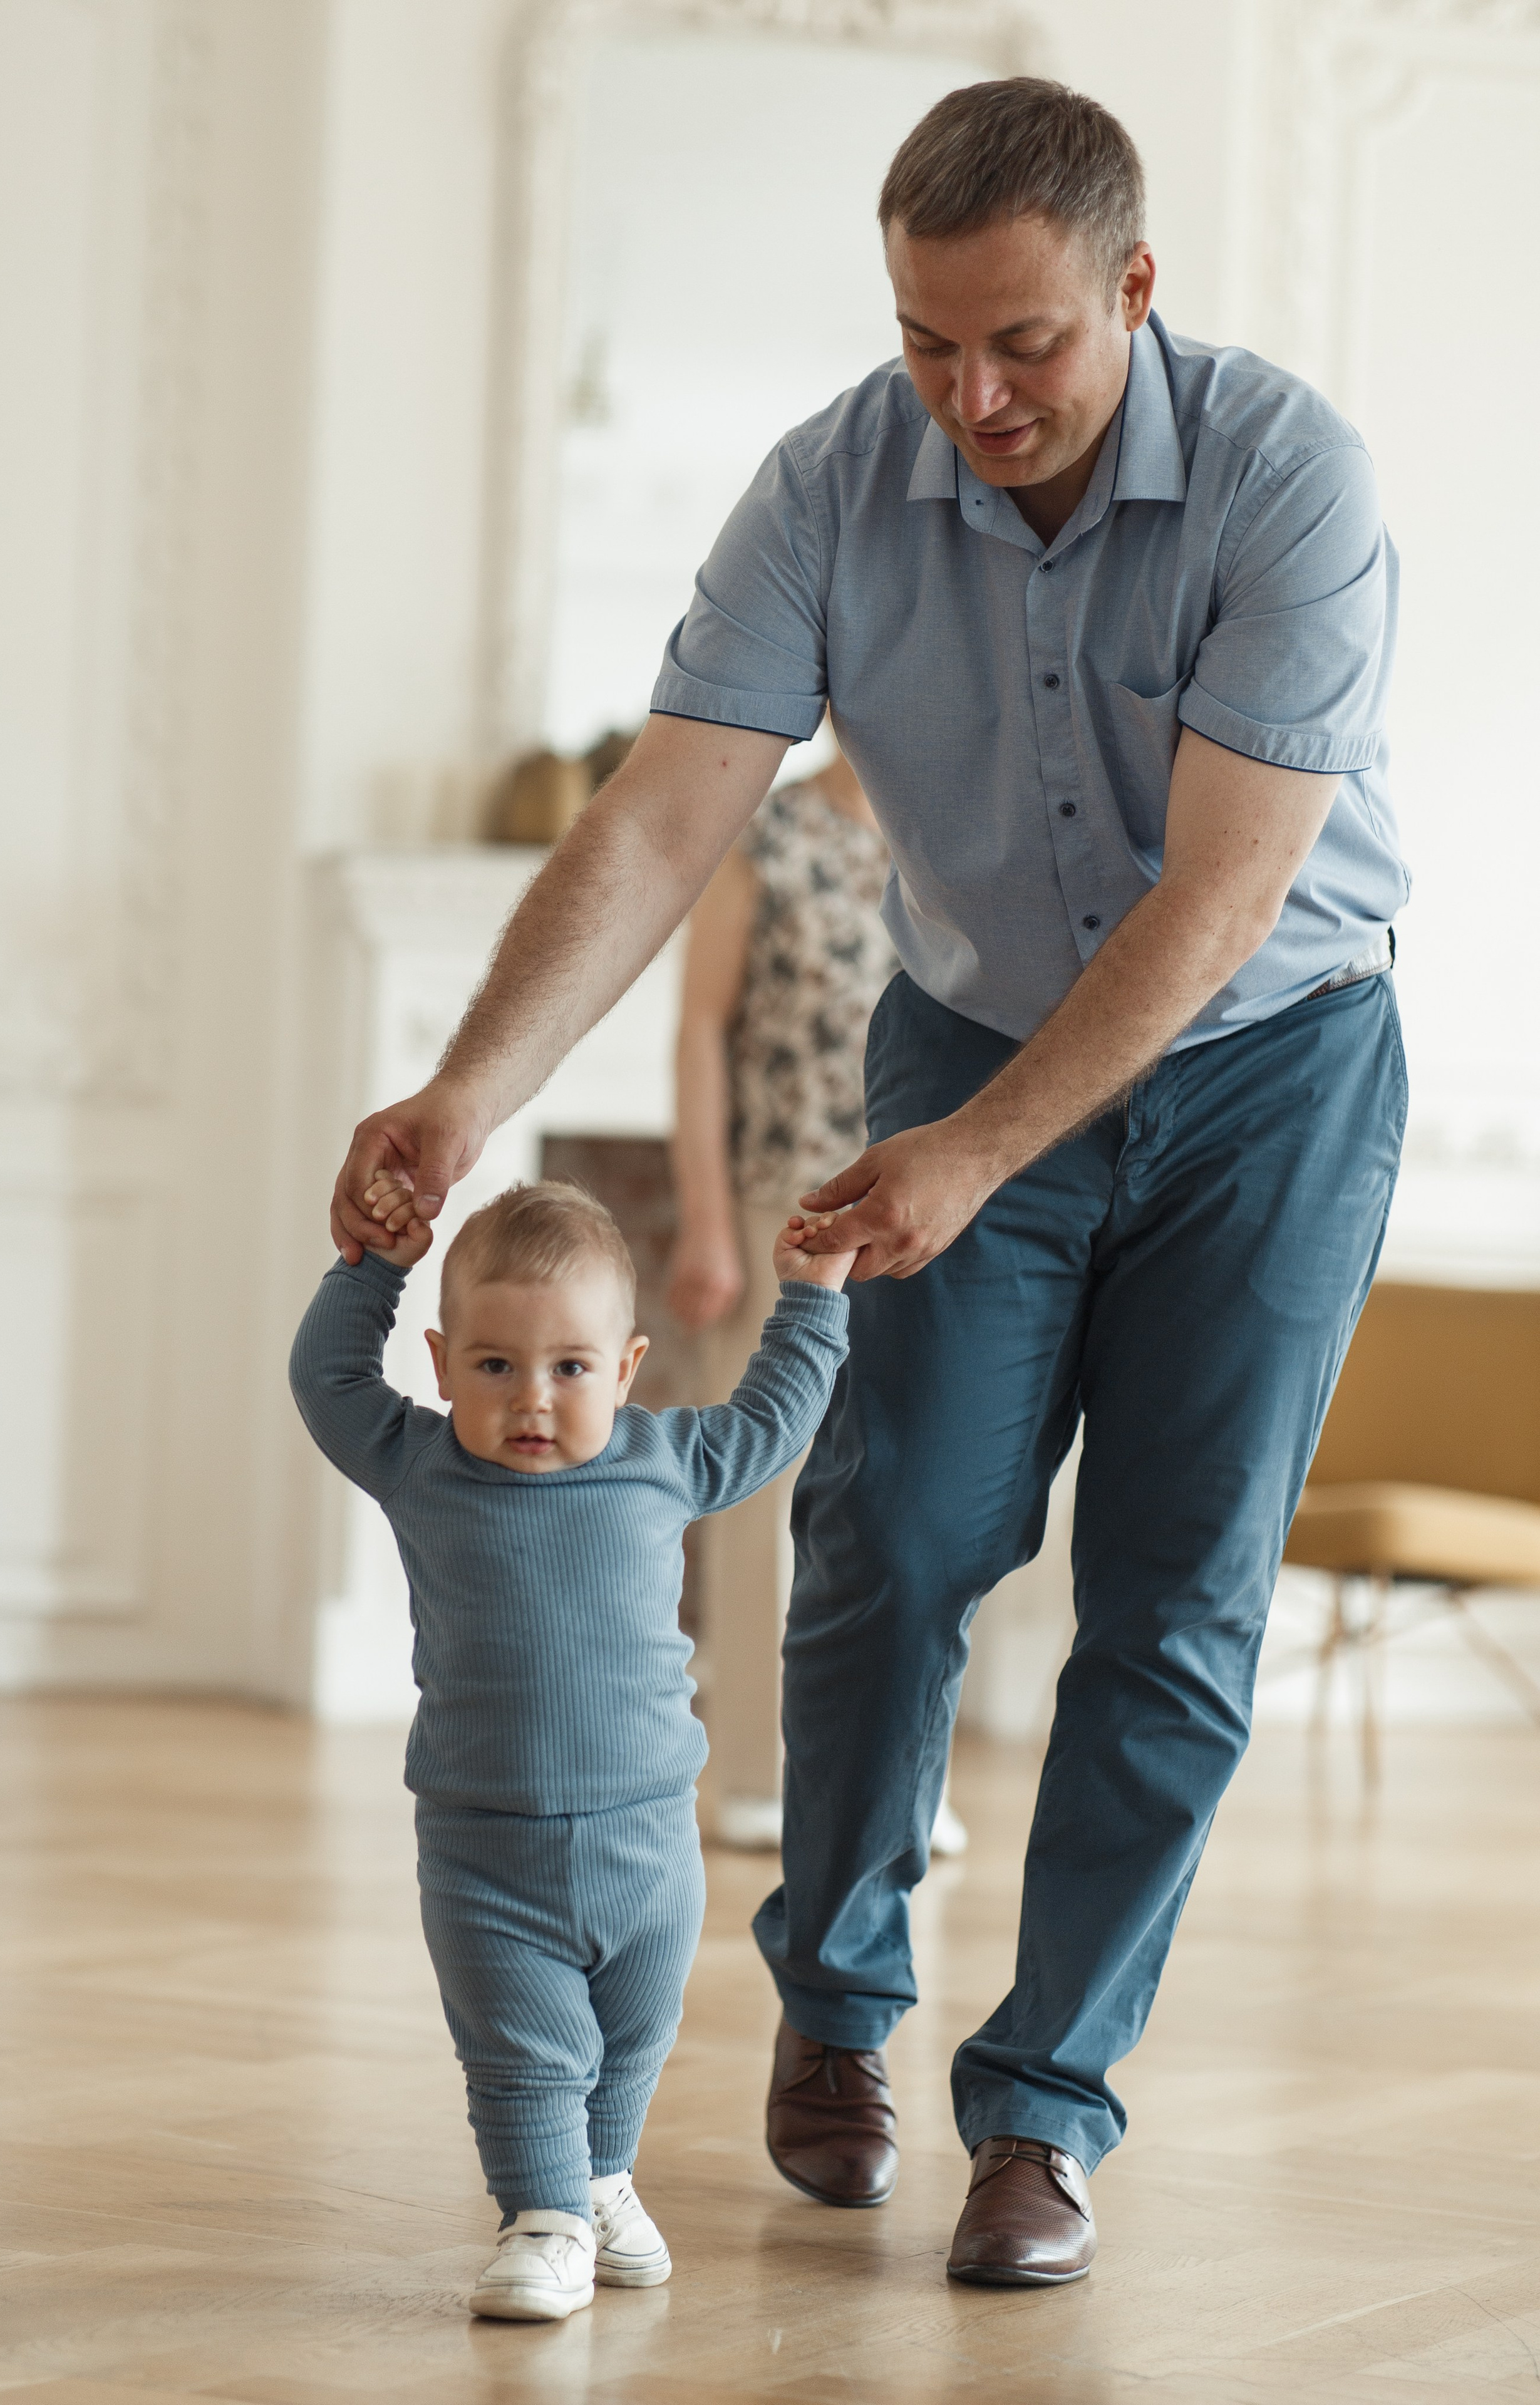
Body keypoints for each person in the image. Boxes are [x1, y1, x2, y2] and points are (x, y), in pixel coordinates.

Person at [329, 78, 1407, 2289]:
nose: (970, 395)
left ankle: (1045, 2115)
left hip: (1271, 1068)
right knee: (888, 1533)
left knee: (1179, 1607)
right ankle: (836, 2004)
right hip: (966, 1033)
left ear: (1135, 288)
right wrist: (461, 1093)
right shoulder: (834, 480)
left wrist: (976, 1147)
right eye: (928, 341)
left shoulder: (1294, 483)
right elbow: (662, 821)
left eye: (1021, 345)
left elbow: (1215, 906)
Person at [289, 1177, 857, 2320]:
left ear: (629, 1368)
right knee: (525, 2051)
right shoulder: (422, 1463)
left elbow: (777, 1415)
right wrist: (373, 1271)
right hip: (486, 1847)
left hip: (652, 1842)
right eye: (495, 1367)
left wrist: (812, 1297)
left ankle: (599, 2181)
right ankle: (541, 2216)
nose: (533, 1398)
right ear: (444, 1367)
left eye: (570, 1368)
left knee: (636, 2036)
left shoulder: (664, 1460)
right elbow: (328, 1380)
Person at [669, 730, 968, 1854]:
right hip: (783, 1206)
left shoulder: (967, 839)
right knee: (765, 1491)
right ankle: (750, 1768)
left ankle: (904, 1777)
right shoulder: (770, 835)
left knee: (924, 1488)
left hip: (932, 1214)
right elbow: (702, 1030)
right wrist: (705, 1218)